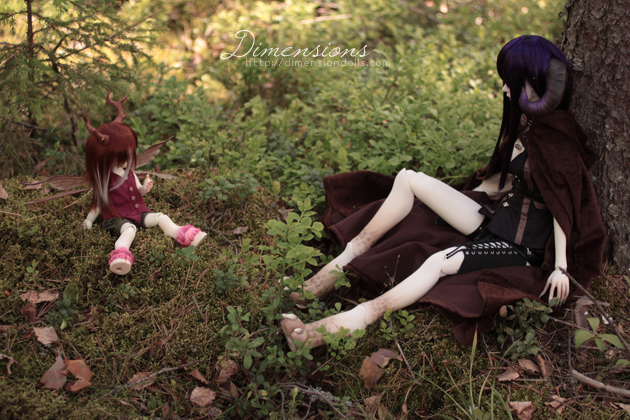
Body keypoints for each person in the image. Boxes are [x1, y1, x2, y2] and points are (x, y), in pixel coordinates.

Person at [280, 35, 605, 350]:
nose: (505, 88)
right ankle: (323, 279)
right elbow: (510, 181)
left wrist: (561, 266)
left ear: (533, 83)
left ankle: (328, 330)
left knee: (437, 262)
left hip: (520, 246)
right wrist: (467, 196)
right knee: (409, 179)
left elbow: (563, 208)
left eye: (511, 81)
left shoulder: (556, 144)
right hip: (496, 220)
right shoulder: (530, 129)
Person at [80, 89, 207, 275]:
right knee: (129, 230)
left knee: (161, 217)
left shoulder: (129, 172)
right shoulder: (106, 180)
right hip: (116, 218)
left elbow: (137, 191)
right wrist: (89, 220)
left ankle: (182, 235)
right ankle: (120, 253)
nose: (128, 159)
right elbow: (98, 203)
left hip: (138, 212)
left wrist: (144, 189)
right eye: (122, 156)